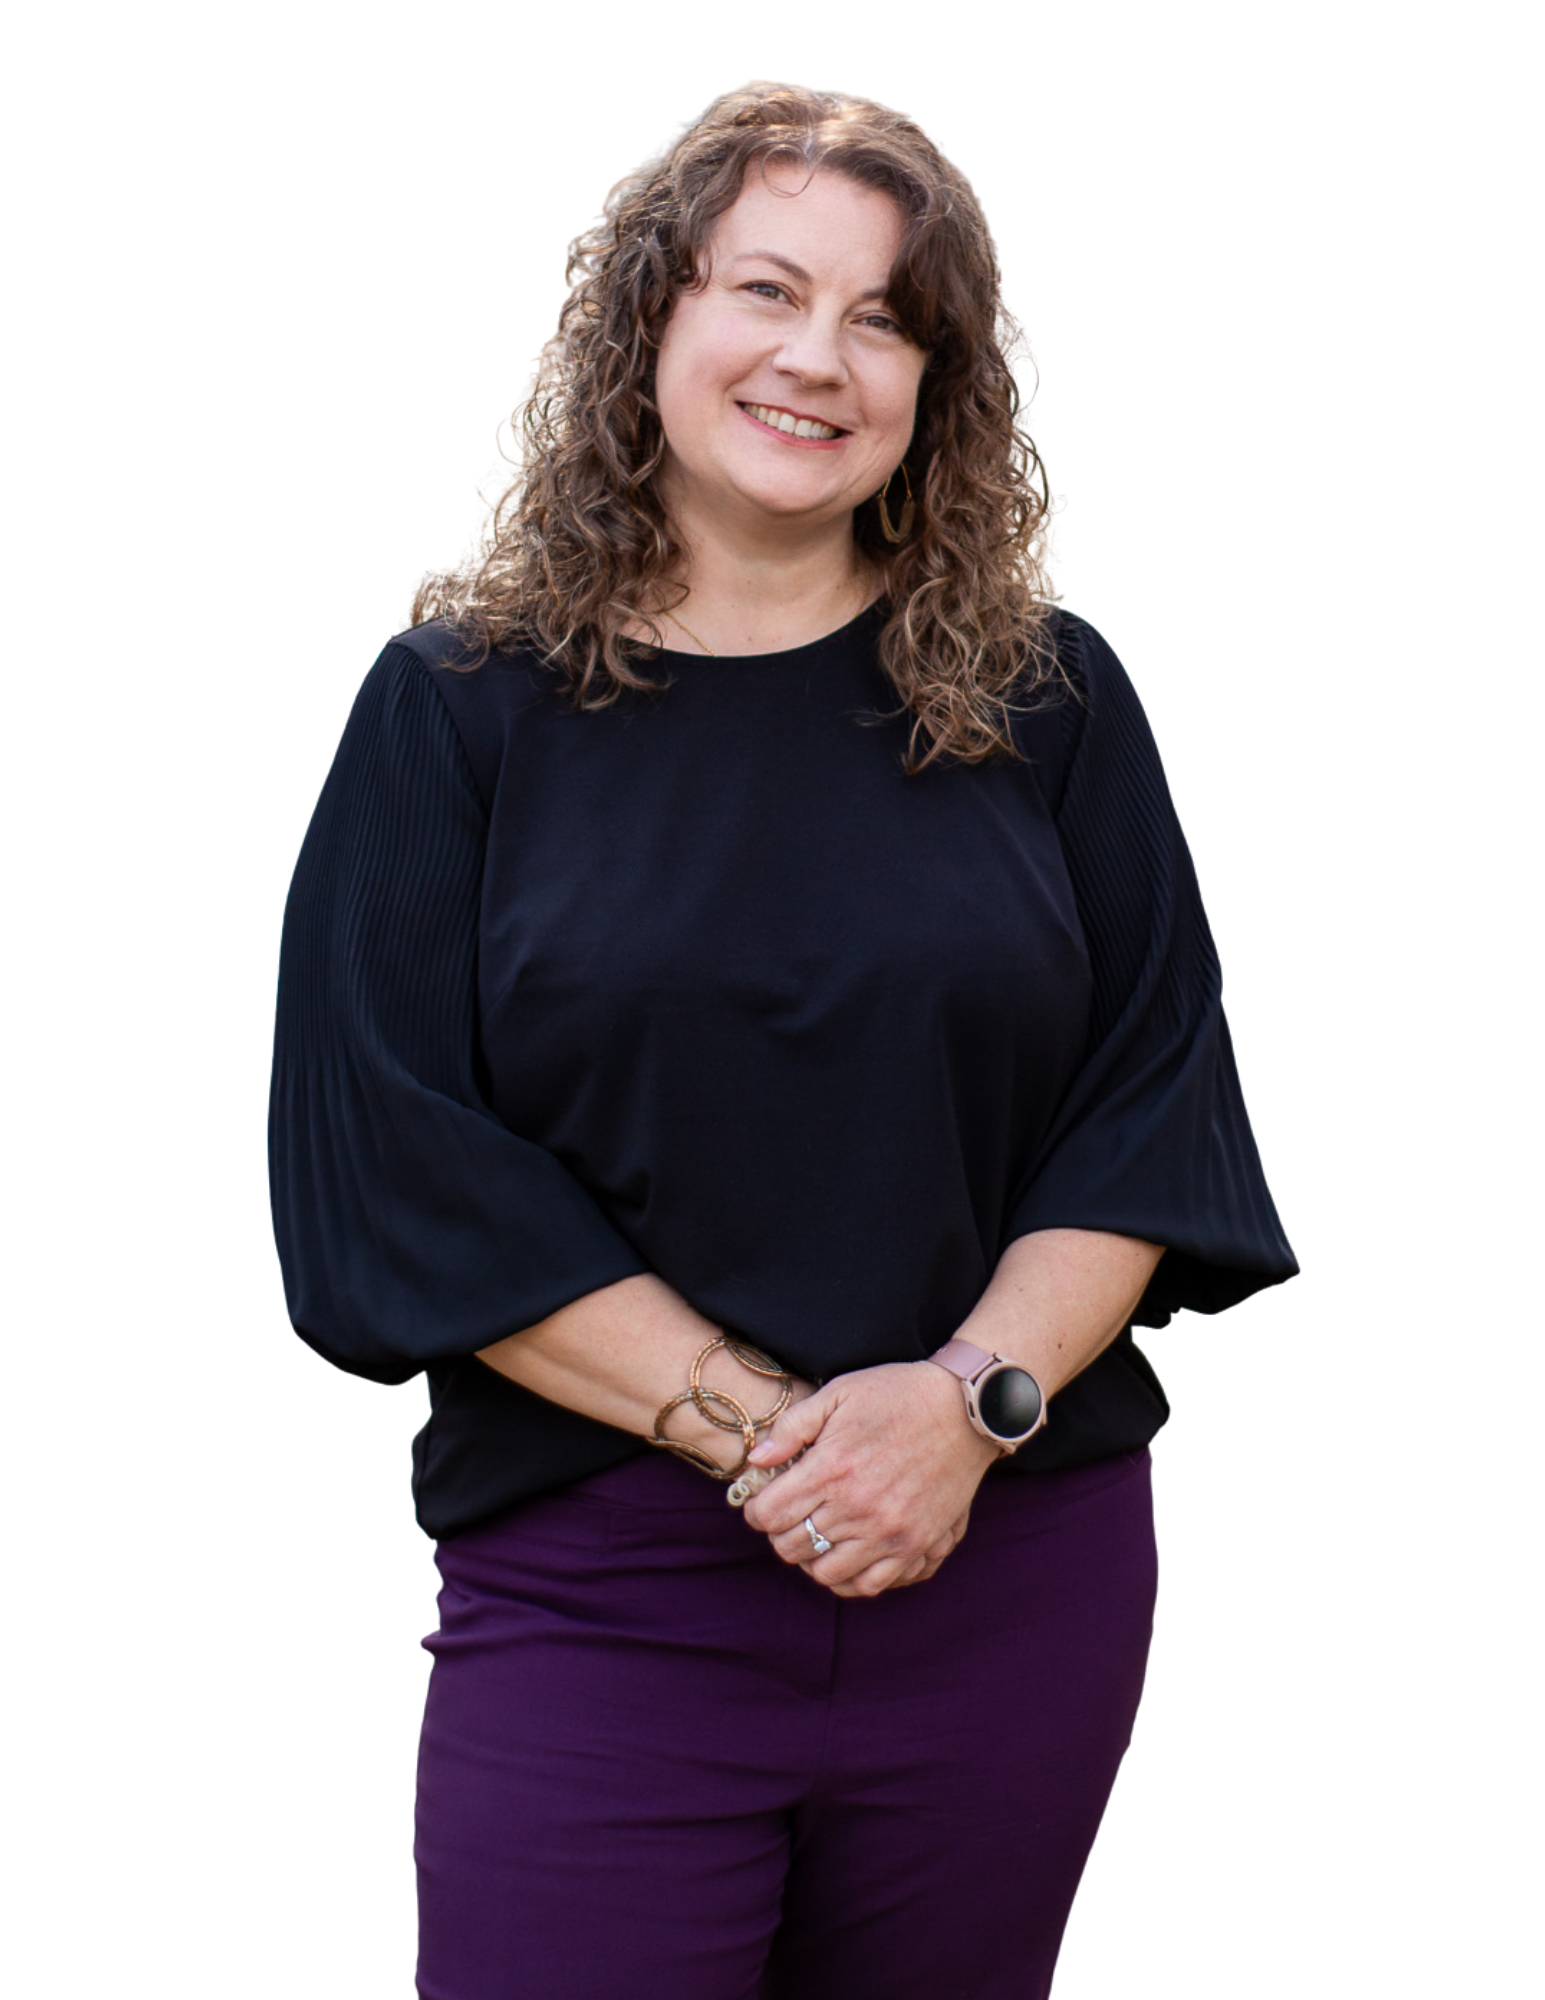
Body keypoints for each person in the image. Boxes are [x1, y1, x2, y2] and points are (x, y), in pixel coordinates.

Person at [270, 78, 1297, 2000]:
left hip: (1018, 1573)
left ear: (938, 385)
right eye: (766, 289)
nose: (820, 358)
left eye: (887, 318)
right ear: (650, 317)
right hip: (604, 1590)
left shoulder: (1050, 699)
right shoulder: (452, 712)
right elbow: (393, 1159)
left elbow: (1151, 1108)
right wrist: (788, 1448)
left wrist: (963, 1416)